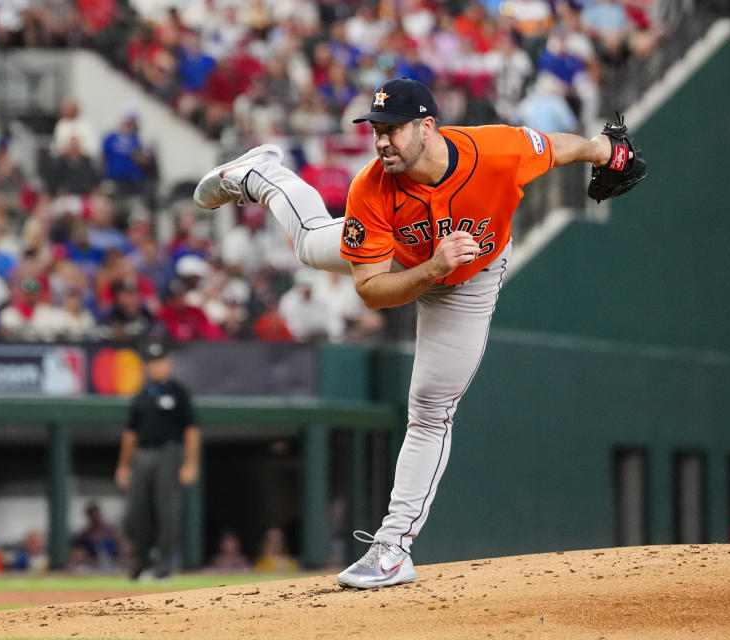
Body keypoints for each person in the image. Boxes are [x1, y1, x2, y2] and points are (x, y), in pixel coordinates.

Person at [194, 77, 632, 589]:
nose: (381, 140)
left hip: (472, 278)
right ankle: (260, 174)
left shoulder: (495, 149)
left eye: (393, 129)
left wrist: (604, 150)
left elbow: (557, 147)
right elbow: (373, 291)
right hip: (401, 260)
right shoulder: (371, 186)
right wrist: (429, 267)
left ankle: (393, 545)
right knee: (311, 242)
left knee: (430, 409)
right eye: (376, 129)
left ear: (427, 126)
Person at [115, 341, 200, 580]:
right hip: (142, 455)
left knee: (166, 511)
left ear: (168, 363)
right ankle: (140, 561)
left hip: (169, 453)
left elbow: (191, 431)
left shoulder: (178, 392)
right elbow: (131, 433)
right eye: (152, 363)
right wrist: (123, 465)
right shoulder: (141, 395)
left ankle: (163, 565)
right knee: (135, 512)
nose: (157, 367)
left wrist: (191, 463)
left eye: (160, 362)